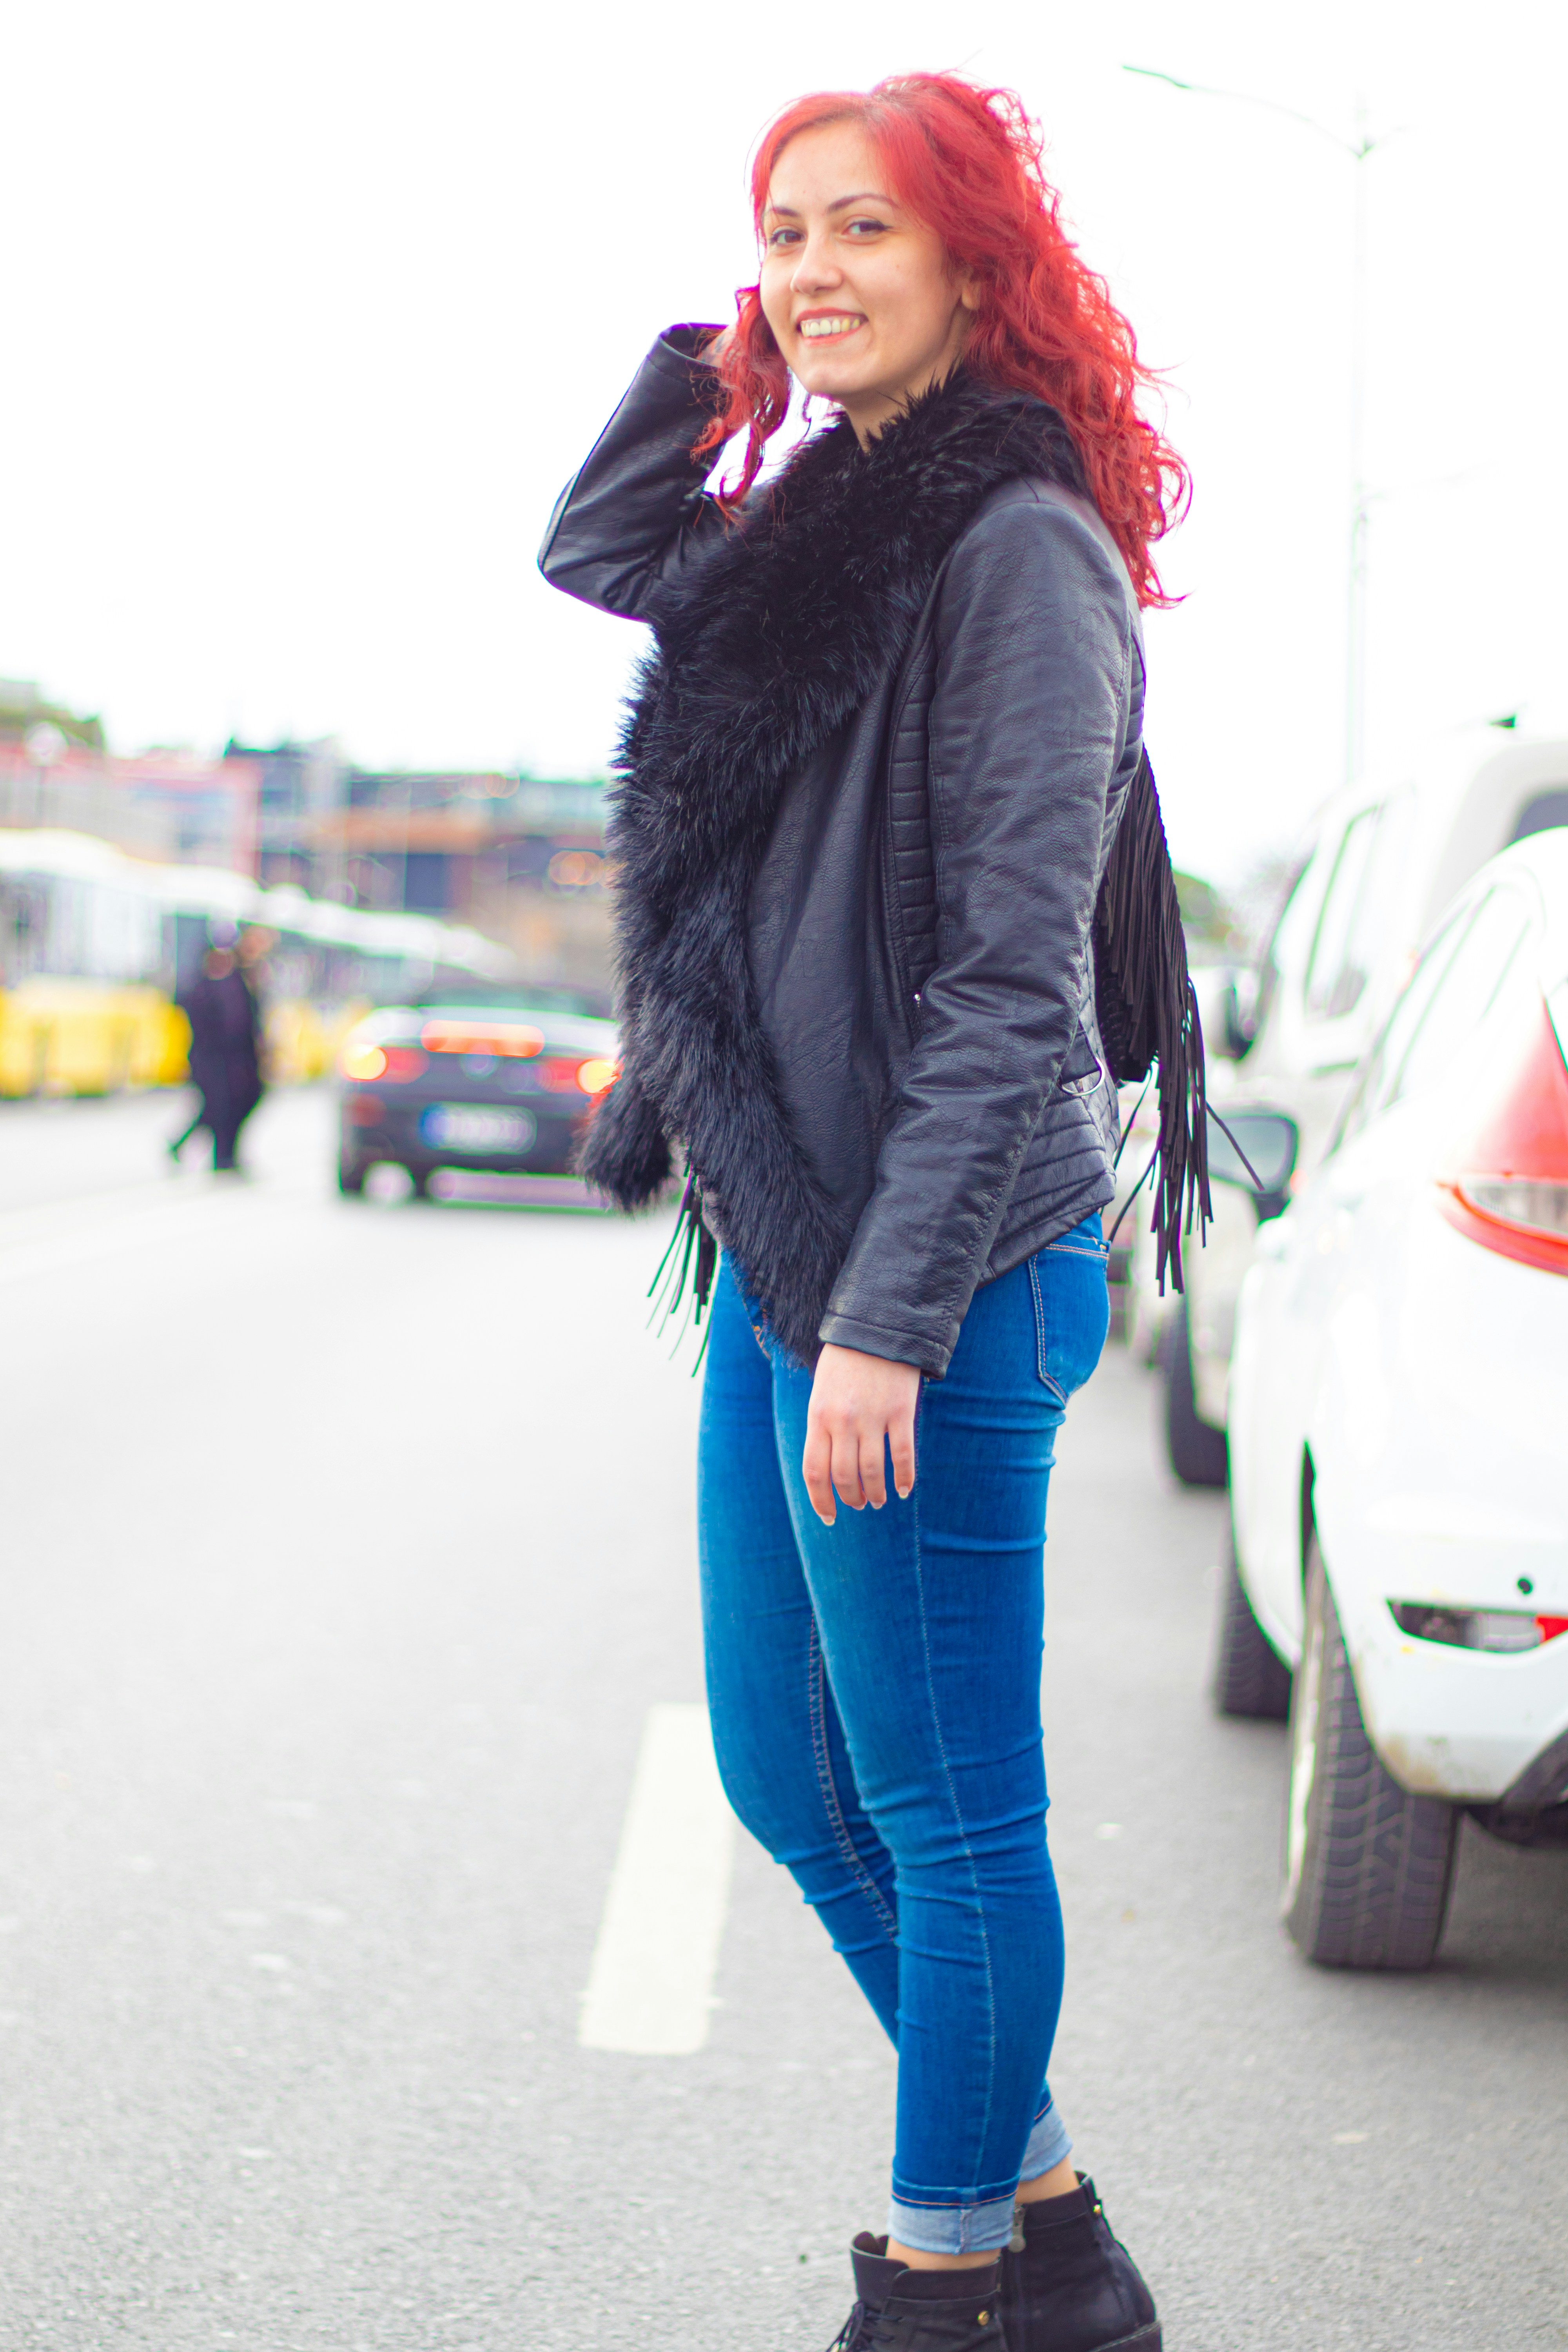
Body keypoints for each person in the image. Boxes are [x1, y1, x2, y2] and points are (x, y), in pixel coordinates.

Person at [541, 73, 1200, 2352]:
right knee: (782, 1767)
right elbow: (603, 545)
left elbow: (1014, 980)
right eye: (784, 234)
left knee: (942, 1802)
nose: (817, 270)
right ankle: (1058, 2236)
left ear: (972, 262)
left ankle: (945, 2284)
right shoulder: (821, 528)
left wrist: (891, 1322)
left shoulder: (1021, 551)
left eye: (864, 233)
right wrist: (720, 356)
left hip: (936, 1267)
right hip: (788, 1241)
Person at [170, 940, 264, 1173]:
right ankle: (221, 1157)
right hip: (209, 1062)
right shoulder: (202, 988)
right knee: (217, 1108)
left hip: (232, 1062)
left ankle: (217, 1154)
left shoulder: (234, 983)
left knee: (220, 1108)